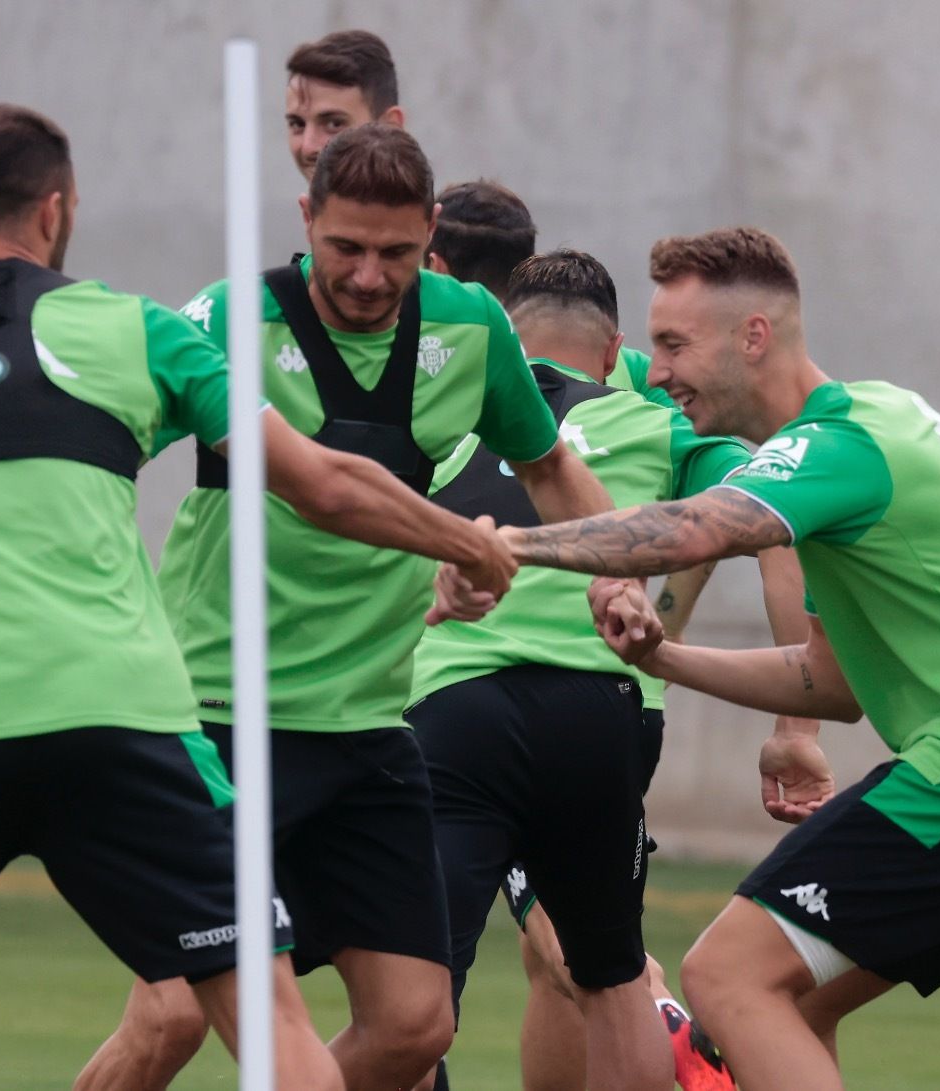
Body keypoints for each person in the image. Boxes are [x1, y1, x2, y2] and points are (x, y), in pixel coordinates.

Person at [0, 103, 522, 1091]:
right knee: (260, 1013)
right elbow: (321, 482)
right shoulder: (139, 333)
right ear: (57, 210)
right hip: (122, 710)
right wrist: (461, 542)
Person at [497, 226, 940, 1090]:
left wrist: (510, 544)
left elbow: (692, 527)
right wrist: (664, 658)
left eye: (675, 344)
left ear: (754, 336)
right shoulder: (854, 444)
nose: (659, 369)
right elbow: (833, 683)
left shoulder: (840, 446)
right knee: (789, 1000)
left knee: (727, 976)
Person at [87, 124, 614, 1091]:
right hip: (218, 713)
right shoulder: (228, 321)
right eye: (346, 249)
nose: (370, 277)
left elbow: (547, 466)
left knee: (417, 1024)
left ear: (432, 236)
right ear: (306, 221)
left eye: (396, 254)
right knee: (167, 1015)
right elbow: (110, 453)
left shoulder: (471, 329)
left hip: (367, 724)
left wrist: (616, 579)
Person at [425, 183, 753, 1091]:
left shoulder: (445, 411)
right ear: (618, 351)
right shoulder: (662, 418)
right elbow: (766, 525)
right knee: (599, 973)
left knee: (412, 994)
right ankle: (664, 1027)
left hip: (454, 710)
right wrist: (791, 728)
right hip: (604, 713)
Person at [284, 29, 405, 180]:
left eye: (334, 124)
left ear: (390, 126)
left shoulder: (437, 203)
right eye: (297, 124)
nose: (308, 148)